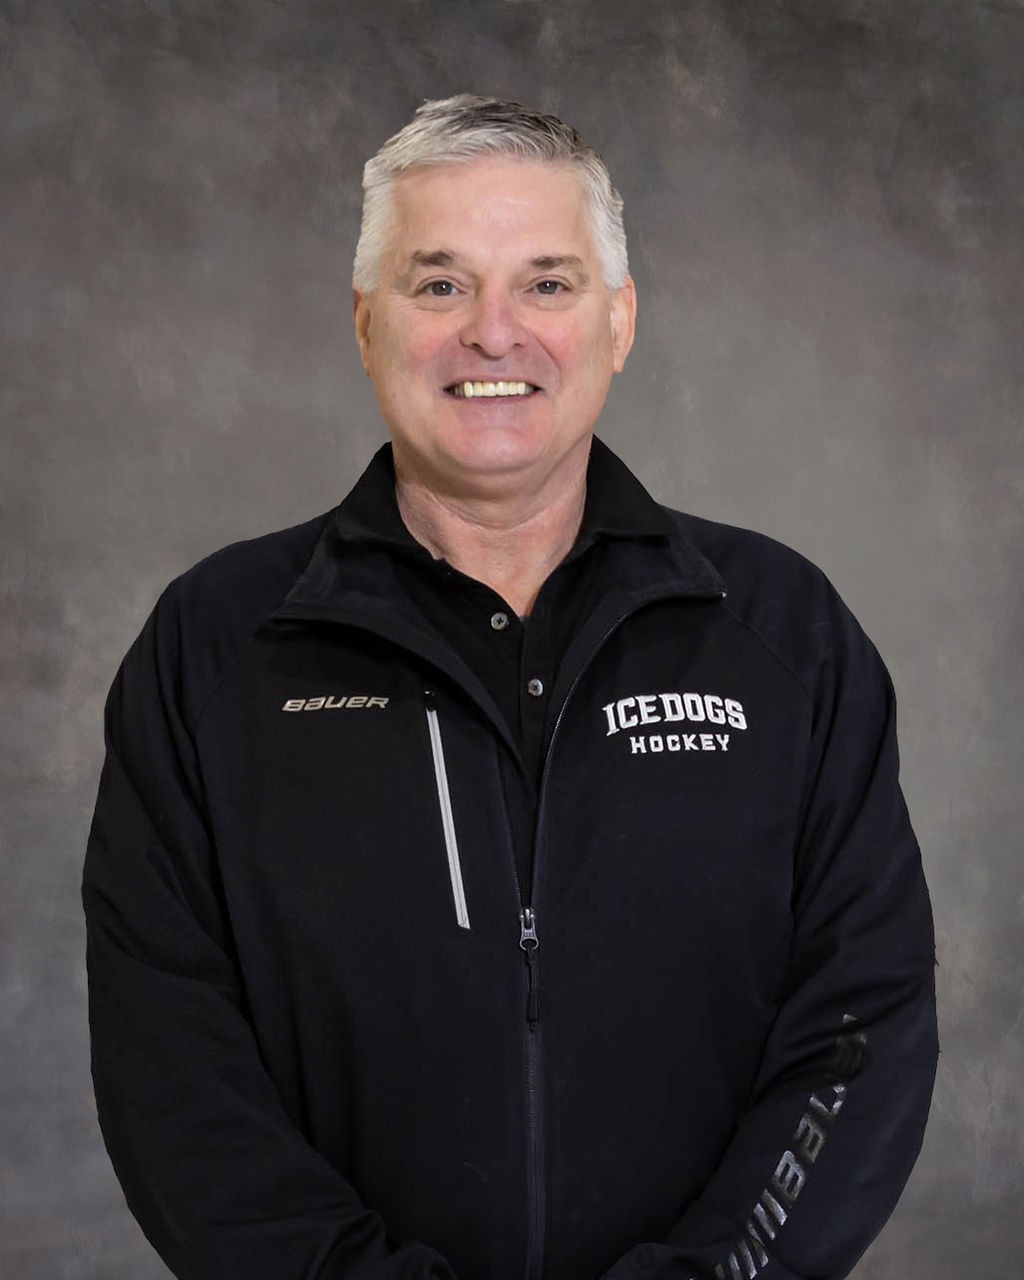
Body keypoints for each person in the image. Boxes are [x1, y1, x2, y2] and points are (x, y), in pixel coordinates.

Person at [83, 94, 938, 1280]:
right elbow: (169, 1062)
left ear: (618, 320)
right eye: (439, 284)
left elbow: (860, 1018)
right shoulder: (217, 647)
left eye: (546, 283)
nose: (494, 334)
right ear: (365, 321)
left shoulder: (780, 633)